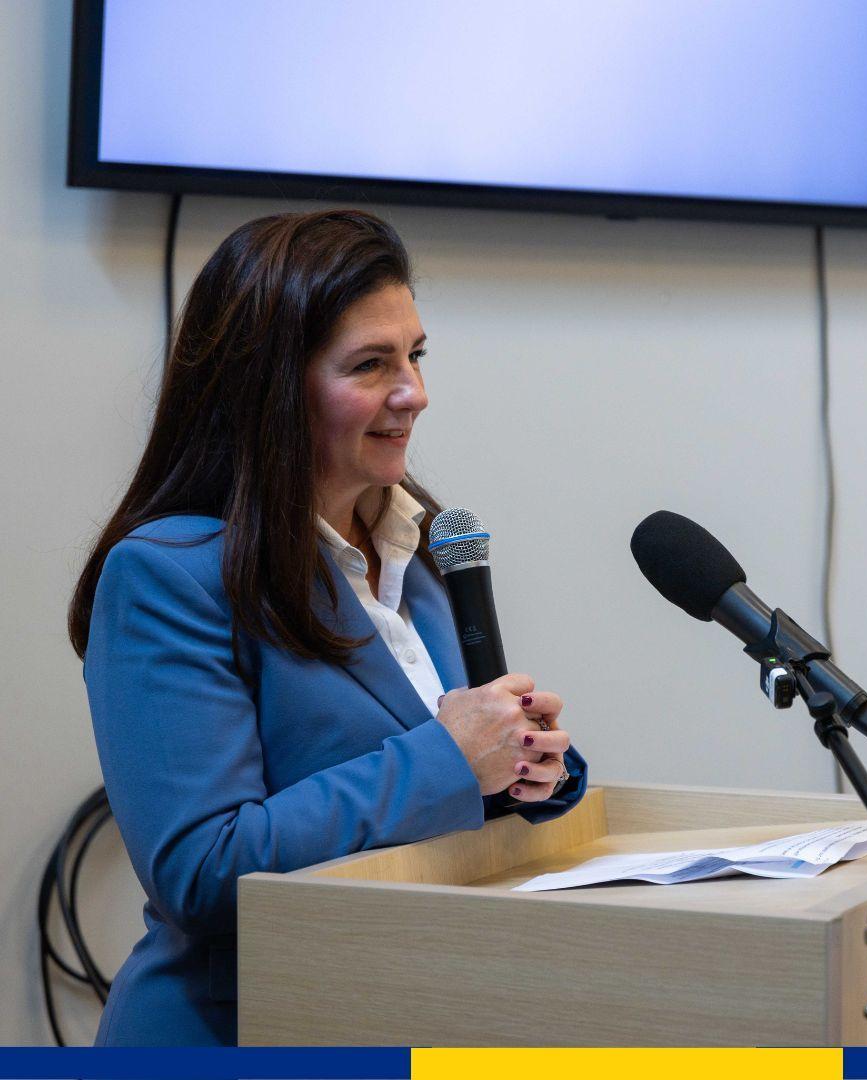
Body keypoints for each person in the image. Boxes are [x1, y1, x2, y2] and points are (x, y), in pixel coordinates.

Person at [67, 209, 587, 1046]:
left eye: (415, 355)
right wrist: (448, 756)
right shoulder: (168, 575)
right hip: (237, 1031)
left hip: (397, 1016)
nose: (414, 391)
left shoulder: (416, 555)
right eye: (370, 365)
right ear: (270, 387)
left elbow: (434, 796)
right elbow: (202, 870)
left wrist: (525, 770)